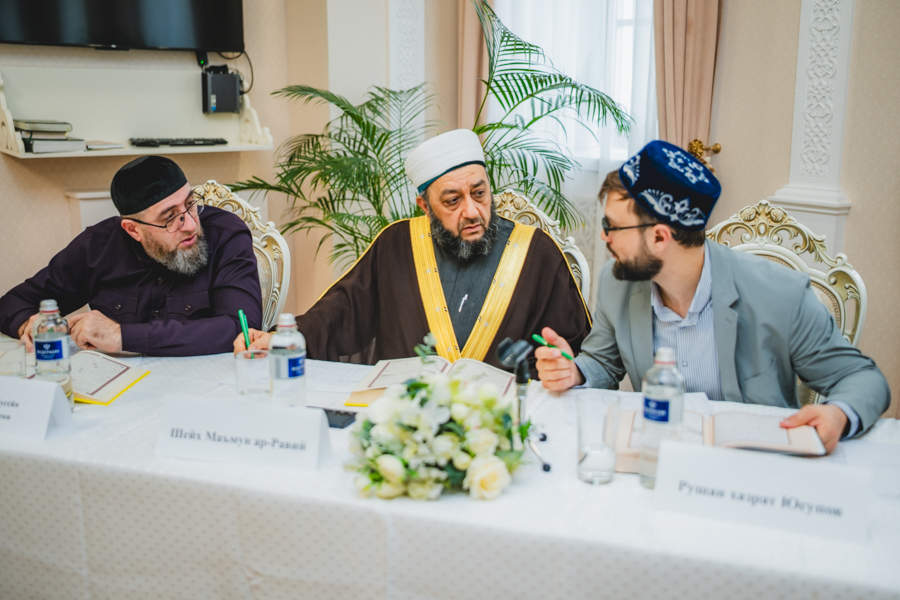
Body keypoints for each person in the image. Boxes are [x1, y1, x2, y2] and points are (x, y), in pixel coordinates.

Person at [535, 140, 889, 452]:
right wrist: (573, 371)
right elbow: (603, 362)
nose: (604, 237)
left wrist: (837, 413)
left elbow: (863, 378)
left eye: (611, 226)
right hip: (657, 457)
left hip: (751, 466)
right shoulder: (618, 283)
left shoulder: (781, 295)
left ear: (659, 237)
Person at [236, 128, 591, 372]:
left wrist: (563, 363)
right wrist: (284, 338)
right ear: (425, 205)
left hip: (502, 419)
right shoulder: (396, 244)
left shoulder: (536, 252)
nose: (472, 211)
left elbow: (575, 347)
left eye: (479, 193)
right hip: (408, 414)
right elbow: (341, 312)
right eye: (452, 201)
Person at [0, 156, 262, 356]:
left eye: (190, 204)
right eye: (170, 218)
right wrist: (29, 325)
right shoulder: (98, 247)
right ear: (133, 230)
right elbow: (13, 302)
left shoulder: (226, 235)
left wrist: (121, 336)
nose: (191, 225)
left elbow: (241, 329)